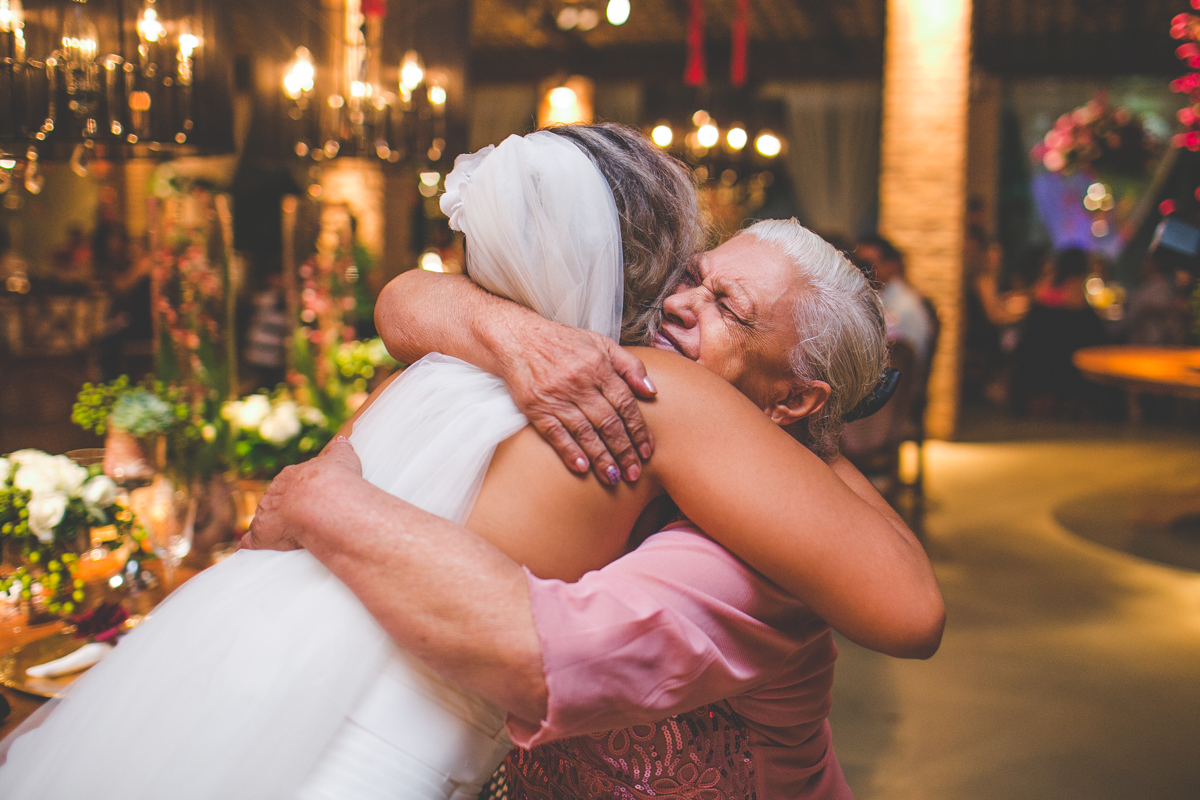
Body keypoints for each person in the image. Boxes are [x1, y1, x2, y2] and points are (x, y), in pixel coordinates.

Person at [0, 127, 939, 800]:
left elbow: (534, 654)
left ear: (799, 405)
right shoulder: (603, 387)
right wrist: (505, 327)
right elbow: (408, 300)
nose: (685, 307)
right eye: (692, 276)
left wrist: (327, 500)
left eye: (729, 307)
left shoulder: (747, 524)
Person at [855, 234, 936, 372]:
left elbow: (902, 363)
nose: (863, 271)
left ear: (892, 265)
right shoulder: (884, 296)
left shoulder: (902, 307)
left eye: (869, 264)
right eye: (858, 264)